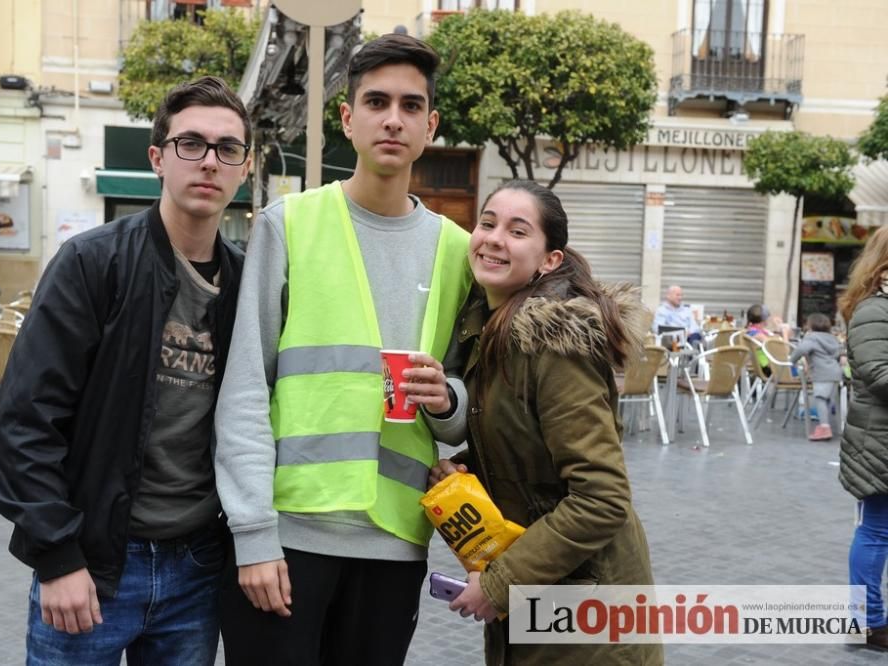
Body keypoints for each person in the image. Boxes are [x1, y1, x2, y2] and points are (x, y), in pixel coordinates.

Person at [214, 34, 472, 666]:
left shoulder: (459, 252)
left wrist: (450, 401)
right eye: (376, 101)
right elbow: (246, 385)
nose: (393, 118)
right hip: (287, 541)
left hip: (396, 542)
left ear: (430, 125)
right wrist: (252, 536)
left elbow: (471, 406)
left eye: (411, 106)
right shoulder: (289, 224)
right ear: (346, 118)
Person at [0, 76, 249, 665]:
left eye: (226, 148)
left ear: (244, 167)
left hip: (197, 566)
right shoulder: (93, 262)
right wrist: (57, 556)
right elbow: (24, 422)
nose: (209, 161)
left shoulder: (246, 281)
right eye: (191, 144)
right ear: (158, 158)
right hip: (95, 564)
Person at [430, 180, 662, 665]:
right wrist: (470, 470)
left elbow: (602, 497)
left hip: (588, 614)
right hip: (549, 599)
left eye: (517, 231)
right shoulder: (495, 332)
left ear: (549, 260)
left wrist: (498, 583)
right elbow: (533, 448)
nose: (494, 238)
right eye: (487, 223)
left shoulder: (552, 346)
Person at [838, 224, 888, 652]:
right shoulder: (875, 309)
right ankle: (865, 621)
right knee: (876, 530)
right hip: (879, 440)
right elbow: (878, 374)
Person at [789, 313, 843, 441]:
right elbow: (837, 353)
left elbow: (801, 350)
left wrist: (792, 360)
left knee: (820, 399)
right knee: (827, 400)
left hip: (821, 373)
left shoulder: (811, 338)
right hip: (835, 372)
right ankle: (827, 425)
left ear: (810, 326)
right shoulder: (832, 338)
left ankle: (824, 427)